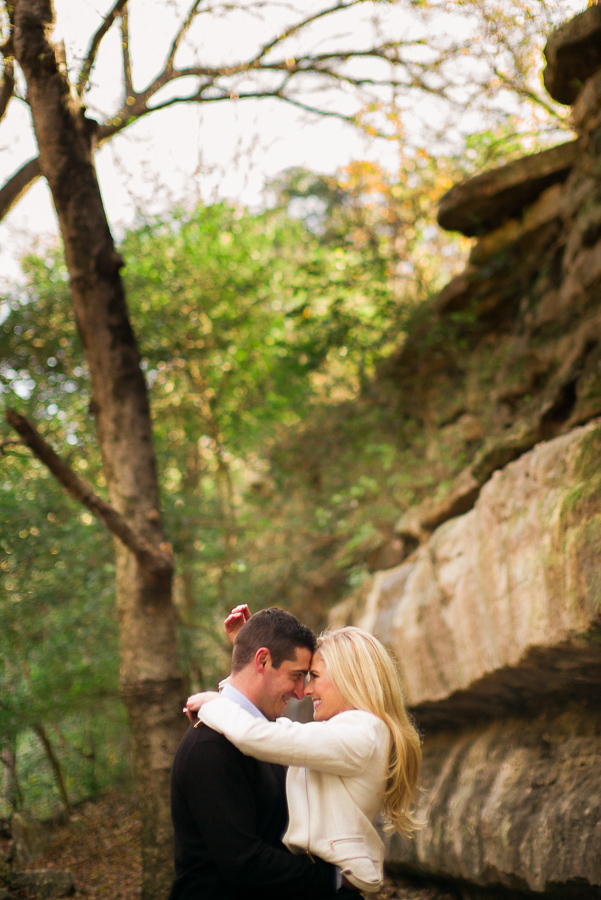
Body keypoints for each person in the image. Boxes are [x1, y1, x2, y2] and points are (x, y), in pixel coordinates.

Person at [186, 614, 422, 894]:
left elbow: (259, 736)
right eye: (301, 677)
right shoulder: (350, 731)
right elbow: (273, 730)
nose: (306, 690)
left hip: (329, 887)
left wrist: (214, 704)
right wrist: (252, 655)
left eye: (315, 677)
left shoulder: (363, 733)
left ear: (349, 679)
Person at [167, 607, 344, 900]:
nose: (301, 692)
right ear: (262, 659)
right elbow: (244, 863)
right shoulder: (210, 747)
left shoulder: (265, 734)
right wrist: (335, 878)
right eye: (296, 675)